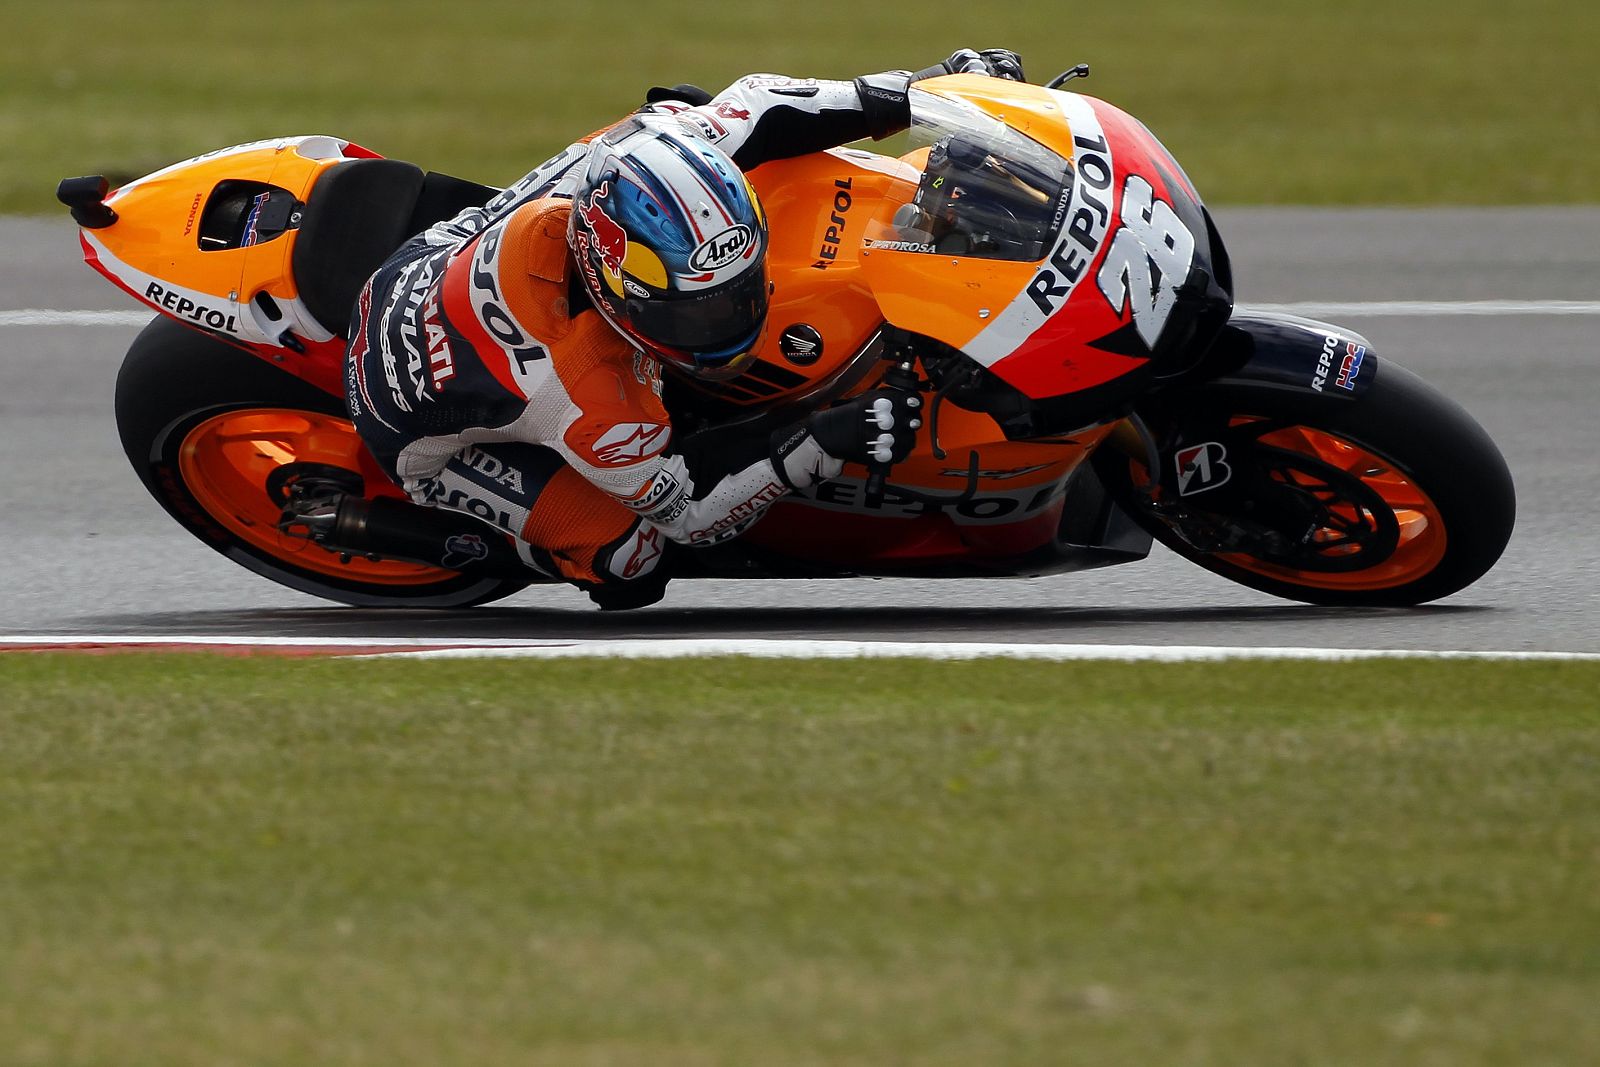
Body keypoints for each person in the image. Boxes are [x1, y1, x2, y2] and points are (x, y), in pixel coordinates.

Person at [345, 49, 1026, 608]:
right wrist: (823, 437)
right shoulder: (584, 395)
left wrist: (927, 94)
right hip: (408, 422)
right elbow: (692, 514)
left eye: (735, 292)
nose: (730, 321)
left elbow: (760, 101)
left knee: (684, 103)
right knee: (631, 563)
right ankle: (492, 541)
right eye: (696, 310)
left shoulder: (640, 157)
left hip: (433, 260)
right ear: (616, 283)